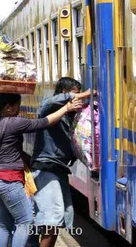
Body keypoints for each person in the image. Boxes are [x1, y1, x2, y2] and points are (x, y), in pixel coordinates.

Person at [0, 93, 83, 247]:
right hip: (9, 181)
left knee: (4, 226)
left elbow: (12, 150)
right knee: (25, 222)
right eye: (17, 105)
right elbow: (43, 122)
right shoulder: (12, 122)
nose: (19, 109)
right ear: (8, 108)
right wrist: (67, 108)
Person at [31, 77, 95, 247]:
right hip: (46, 167)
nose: (78, 99)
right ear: (64, 93)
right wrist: (84, 94)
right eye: (75, 93)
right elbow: (48, 101)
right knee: (52, 217)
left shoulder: (70, 117)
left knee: (61, 219)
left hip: (59, 169)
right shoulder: (49, 109)